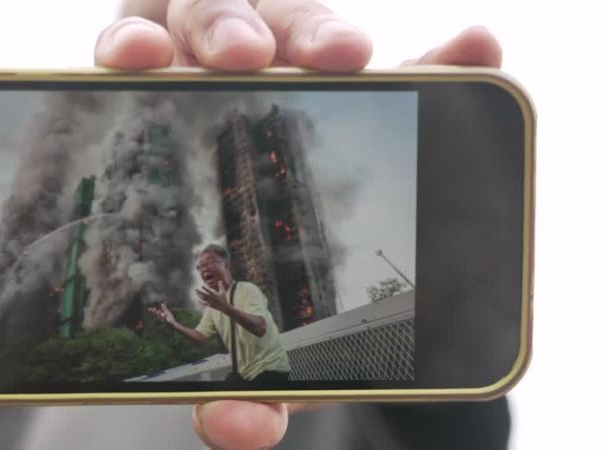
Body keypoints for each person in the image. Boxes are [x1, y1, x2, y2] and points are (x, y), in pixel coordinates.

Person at [95, 1, 504, 448]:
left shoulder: (248, 300)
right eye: (204, 270)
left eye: (210, 267)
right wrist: (173, 322)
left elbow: (255, 324)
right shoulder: (14, 415)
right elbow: (203, 334)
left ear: (225, 268)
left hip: (279, 374)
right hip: (239, 374)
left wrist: (450, 323)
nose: (204, 274)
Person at [149, 244, 291, 381]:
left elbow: (260, 328)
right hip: (245, 376)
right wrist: (175, 325)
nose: (204, 269)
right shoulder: (213, 306)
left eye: (210, 263)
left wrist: (225, 307)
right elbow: (200, 337)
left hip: (271, 369)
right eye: (201, 266)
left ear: (226, 265)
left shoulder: (247, 290)